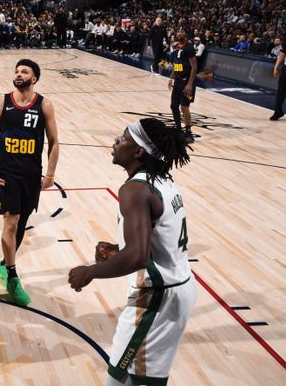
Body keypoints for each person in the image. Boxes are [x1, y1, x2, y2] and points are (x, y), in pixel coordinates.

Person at [68, 118, 196, 386]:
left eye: (124, 137)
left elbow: (138, 256)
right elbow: (156, 242)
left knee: (131, 381)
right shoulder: (161, 180)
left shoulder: (135, 190)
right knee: (121, 377)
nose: (116, 140)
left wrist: (89, 272)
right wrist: (118, 250)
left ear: (138, 151)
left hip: (157, 299)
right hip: (174, 287)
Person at [0, 59, 59, 306]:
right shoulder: (2, 102)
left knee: (22, 222)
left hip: (31, 174)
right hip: (8, 174)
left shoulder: (44, 105)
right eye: (16, 70)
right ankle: (13, 278)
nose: (18, 74)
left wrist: (50, 174)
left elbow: (54, 142)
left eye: (24, 71)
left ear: (34, 78)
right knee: (12, 222)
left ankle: (5, 263)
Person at [167, 29, 197, 144]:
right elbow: (177, 65)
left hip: (187, 83)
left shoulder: (189, 48)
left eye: (182, 32)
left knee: (184, 107)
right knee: (174, 106)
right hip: (178, 81)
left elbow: (194, 67)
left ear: (185, 36)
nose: (179, 34)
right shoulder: (176, 47)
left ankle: (188, 132)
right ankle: (179, 131)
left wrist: (190, 84)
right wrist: (171, 78)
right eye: (178, 32)